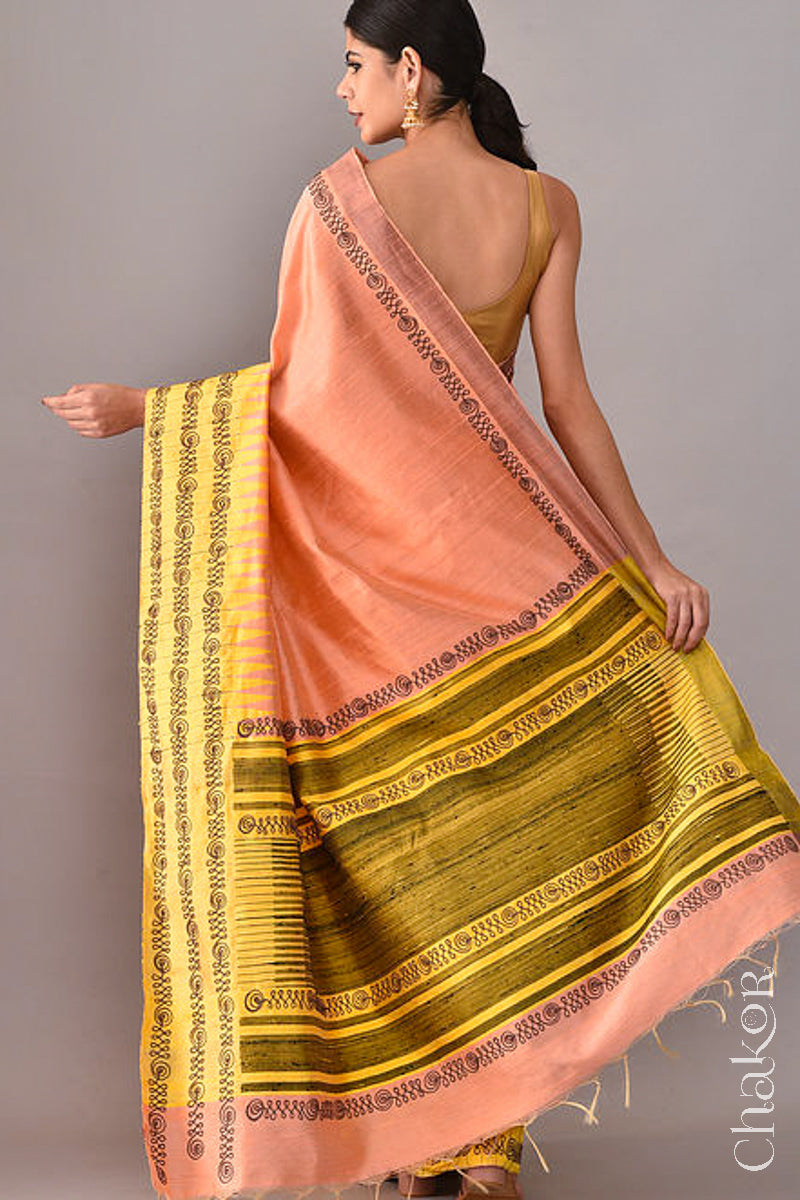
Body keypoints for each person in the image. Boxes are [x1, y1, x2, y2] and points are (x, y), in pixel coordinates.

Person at [40, 4, 800, 1200]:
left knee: (406, 856)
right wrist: (647, 563)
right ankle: (475, 1148)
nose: (343, 93)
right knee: (499, 853)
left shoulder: (338, 207)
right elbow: (569, 405)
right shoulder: (547, 207)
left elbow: (301, 403)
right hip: (513, 570)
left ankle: (440, 1138)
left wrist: (151, 410)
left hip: (372, 588)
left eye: (352, 67)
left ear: (412, 69)